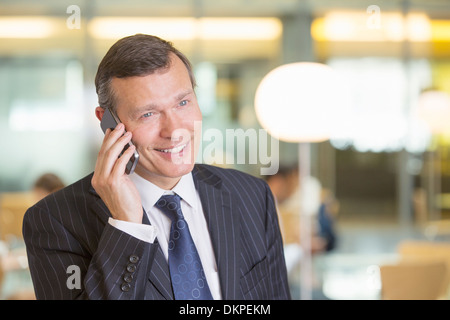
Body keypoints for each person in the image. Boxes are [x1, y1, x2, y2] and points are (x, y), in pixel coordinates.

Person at [22, 34, 291, 300]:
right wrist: (127, 227)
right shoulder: (53, 222)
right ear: (108, 123)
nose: (174, 131)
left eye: (183, 103)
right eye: (148, 114)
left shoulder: (252, 195)